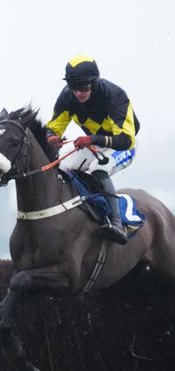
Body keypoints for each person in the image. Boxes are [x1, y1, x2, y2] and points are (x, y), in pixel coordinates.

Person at [45, 55, 139, 245]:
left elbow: (126, 139)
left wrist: (91, 139)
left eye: (84, 87)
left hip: (122, 146)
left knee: (99, 168)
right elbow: (53, 127)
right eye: (74, 87)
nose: (79, 93)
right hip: (93, 144)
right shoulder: (67, 97)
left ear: (94, 81)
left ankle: (117, 223)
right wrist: (51, 138)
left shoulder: (115, 96)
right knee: (63, 167)